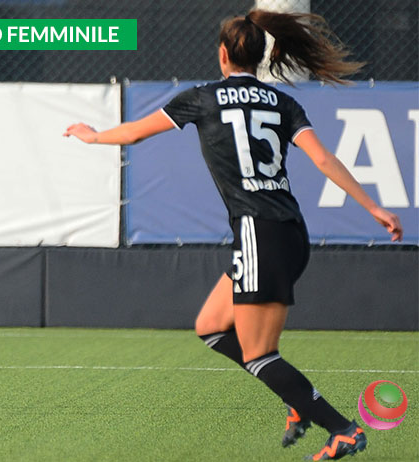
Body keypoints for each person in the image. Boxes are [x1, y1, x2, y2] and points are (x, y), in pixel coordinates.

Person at [64, 10, 403, 461]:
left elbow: (135, 134)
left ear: (223, 54)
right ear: (260, 56)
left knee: (261, 355)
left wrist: (93, 137)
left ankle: (342, 430)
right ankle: (298, 399)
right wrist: (373, 207)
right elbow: (323, 159)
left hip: (261, 234)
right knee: (210, 327)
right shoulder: (281, 103)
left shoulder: (203, 99)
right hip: (288, 233)